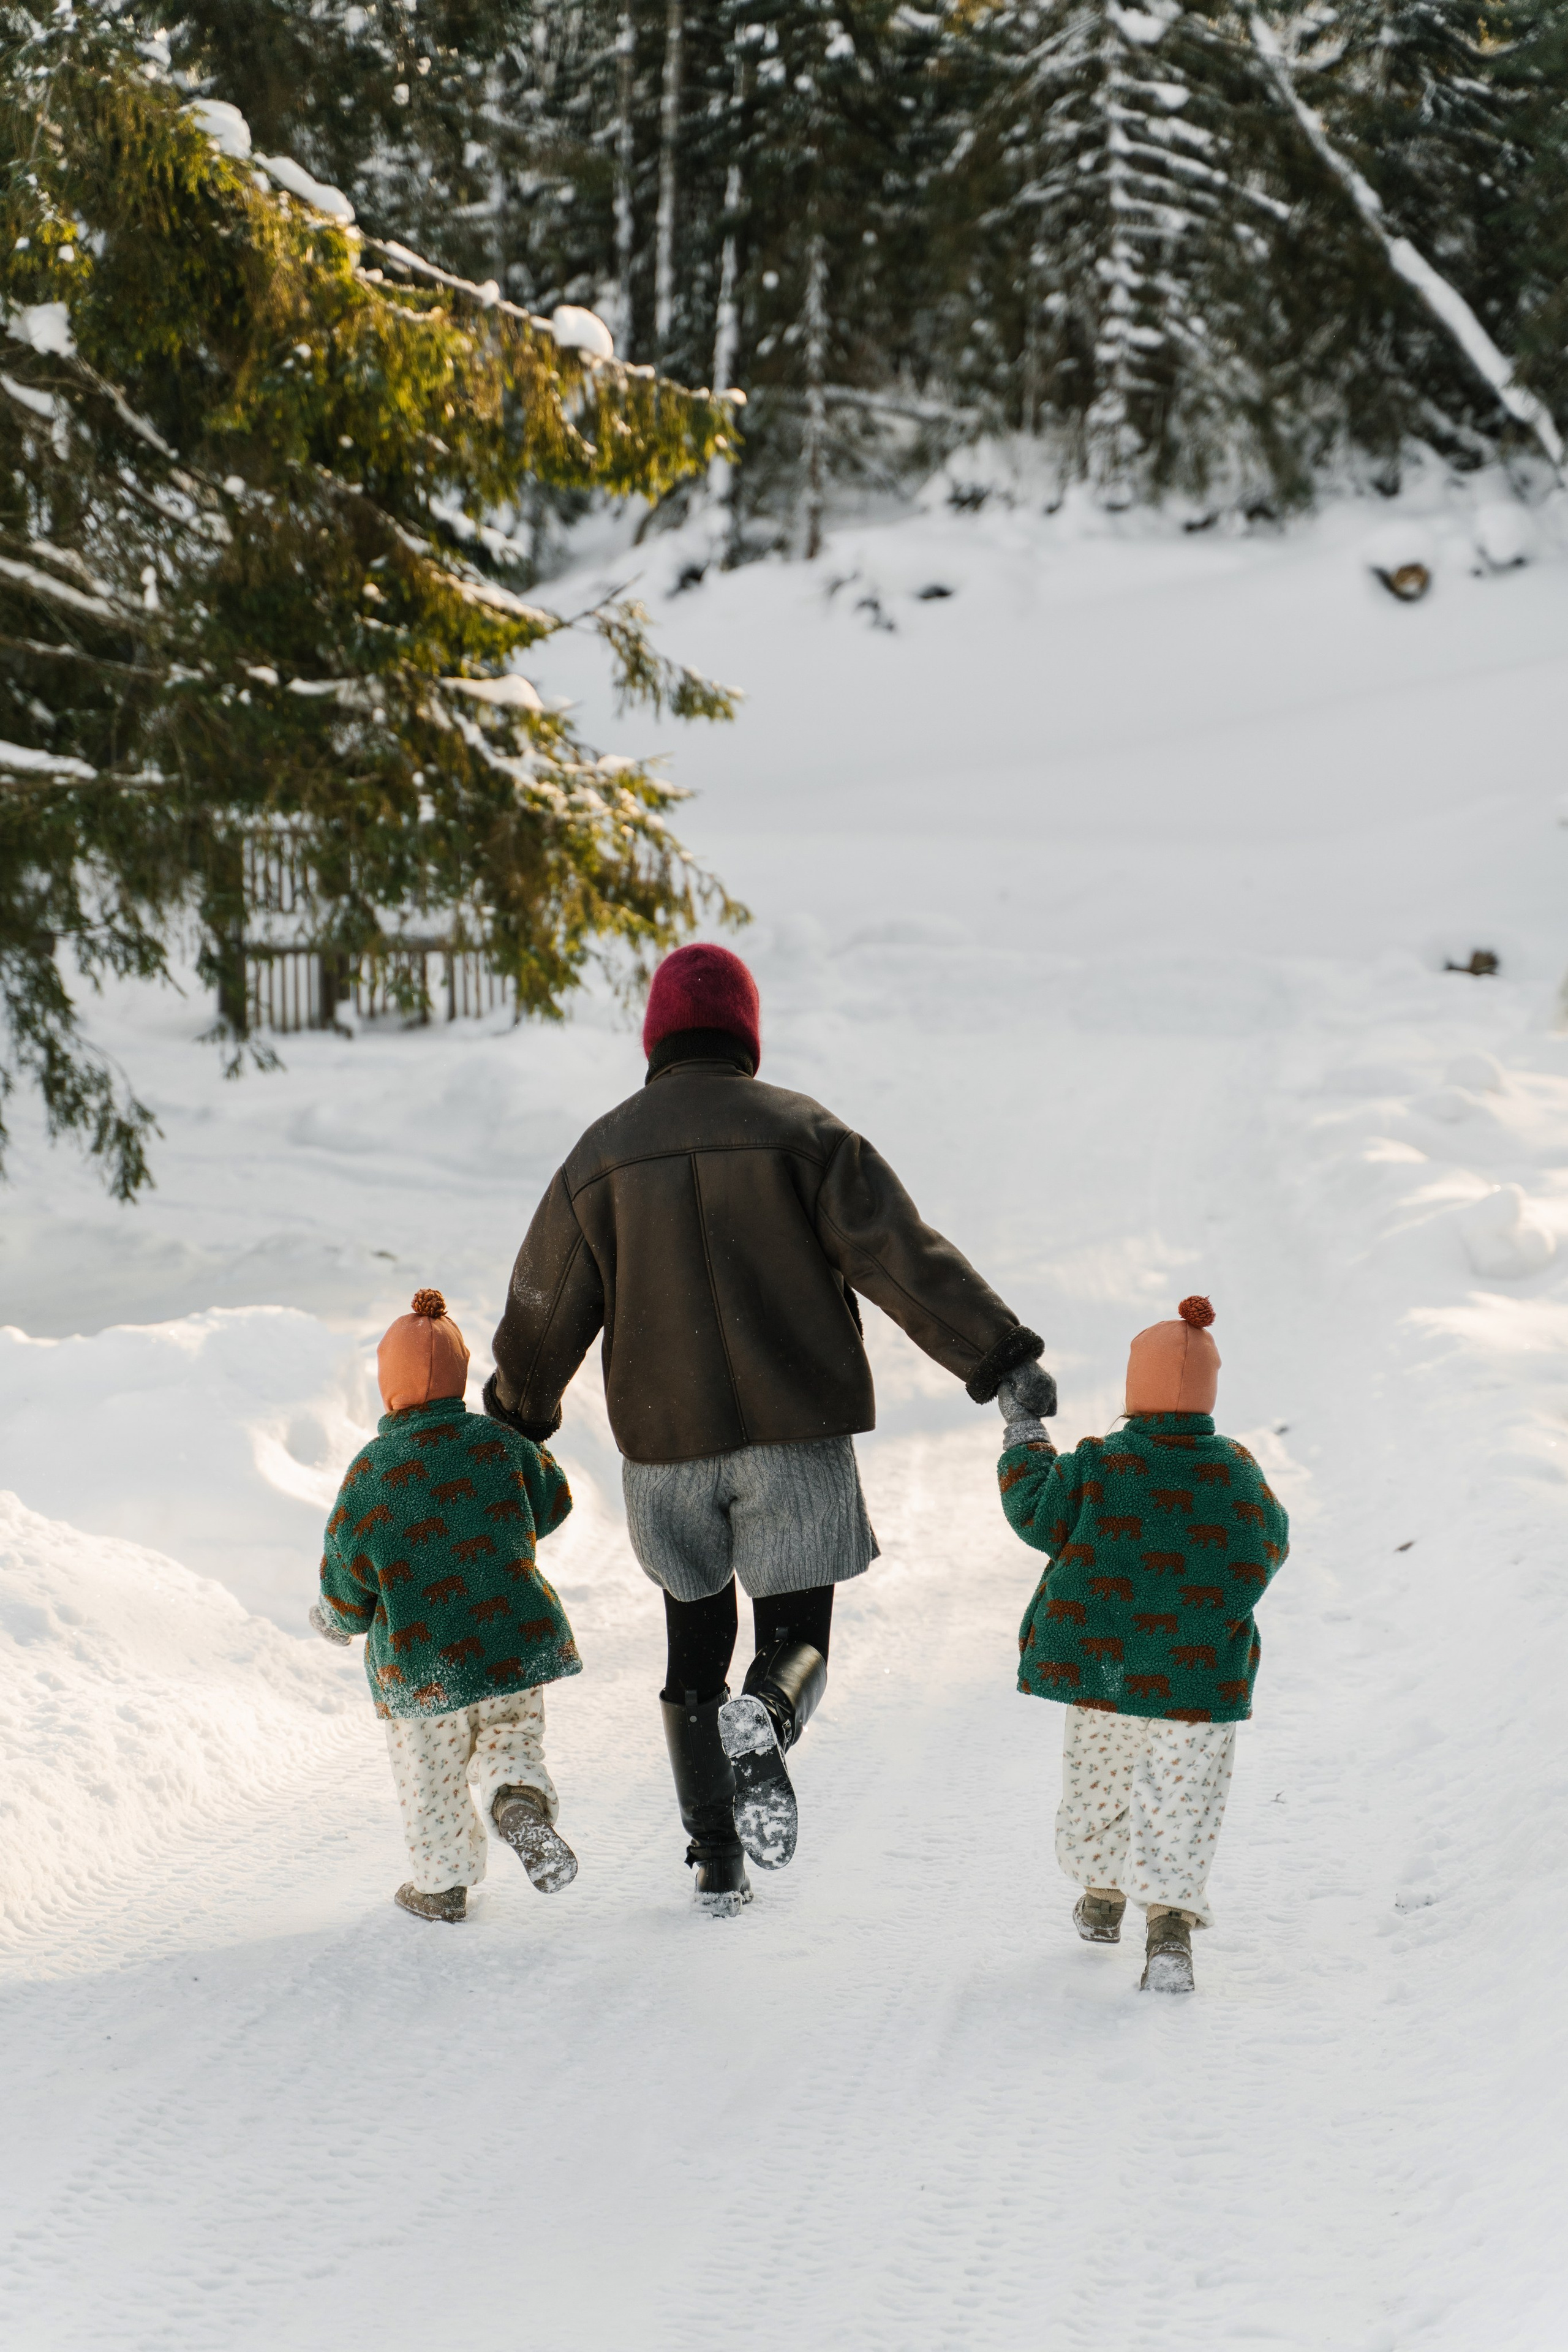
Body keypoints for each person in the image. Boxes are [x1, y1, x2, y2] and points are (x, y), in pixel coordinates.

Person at [486, 943, 1046, 1917]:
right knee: (795, 1632)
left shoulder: (600, 1155)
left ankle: (715, 1861)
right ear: (746, 1031)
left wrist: (517, 1414)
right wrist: (997, 1356)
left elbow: (546, 1304)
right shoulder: (805, 1134)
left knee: (692, 1646)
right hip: (796, 1431)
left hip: (666, 1449)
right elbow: (901, 1259)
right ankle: (773, 1713)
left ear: (655, 1037)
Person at [996, 1296, 1289, 1992]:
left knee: (1098, 1785)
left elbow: (1035, 1512)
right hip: (1198, 1682)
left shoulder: (1101, 1462)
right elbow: (1266, 1544)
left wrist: (1024, 1433)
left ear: (1134, 1393)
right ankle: (1169, 1931)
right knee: (1184, 1799)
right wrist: (1215, 1605)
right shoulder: (1237, 1468)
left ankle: (1102, 1897)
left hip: (1103, 1669)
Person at [311, 1287, 582, 1924]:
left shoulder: (372, 1472)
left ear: (388, 1387)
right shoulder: (498, 1444)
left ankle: (442, 1885)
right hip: (510, 1641)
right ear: (460, 1373)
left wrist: (337, 1617)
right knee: (509, 1738)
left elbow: (348, 1572)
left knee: (430, 1776)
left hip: (420, 1662)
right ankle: (518, 1803)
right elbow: (554, 1501)